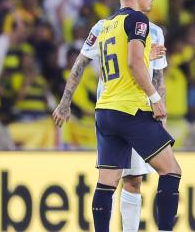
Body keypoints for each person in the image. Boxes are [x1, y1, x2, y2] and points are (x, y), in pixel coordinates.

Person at [89, 0, 181, 232]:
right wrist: (155, 98)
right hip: (131, 110)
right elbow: (133, 63)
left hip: (105, 110)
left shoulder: (106, 25)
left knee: (106, 183)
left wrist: (146, 57)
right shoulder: (139, 21)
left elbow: (121, 60)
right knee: (171, 171)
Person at [52, 17, 166, 231]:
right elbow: (82, 61)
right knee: (109, 180)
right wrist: (65, 103)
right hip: (114, 106)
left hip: (142, 109)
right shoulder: (103, 26)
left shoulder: (156, 32)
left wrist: (162, 112)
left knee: (134, 179)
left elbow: (158, 77)